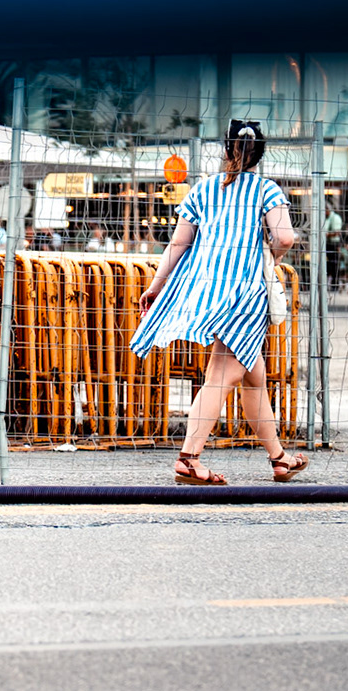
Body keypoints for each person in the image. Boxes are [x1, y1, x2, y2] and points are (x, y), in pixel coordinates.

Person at [131, 119, 308, 485]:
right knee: (221, 375)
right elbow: (286, 237)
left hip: (207, 290)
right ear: (259, 153)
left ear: (225, 149)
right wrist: (270, 257)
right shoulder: (266, 190)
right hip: (244, 294)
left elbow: (178, 245)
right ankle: (189, 458)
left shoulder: (202, 190)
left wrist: (156, 285)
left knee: (254, 377)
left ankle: (279, 458)